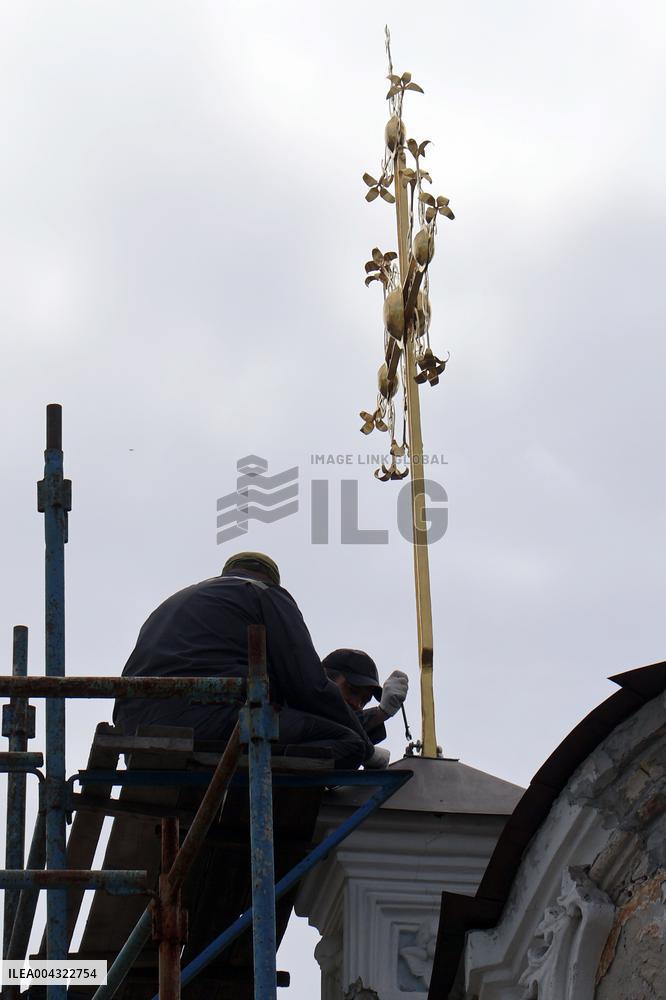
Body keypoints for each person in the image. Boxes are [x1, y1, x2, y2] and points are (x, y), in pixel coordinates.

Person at [113, 552, 389, 769]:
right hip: (204, 718)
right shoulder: (263, 593)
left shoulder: (174, 604)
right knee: (348, 745)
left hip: (135, 729)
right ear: (272, 580)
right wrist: (367, 749)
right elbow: (308, 686)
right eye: (354, 692)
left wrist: (374, 718)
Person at [322, 649, 409, 748]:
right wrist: (380, 714)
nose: (357, 704)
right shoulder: (303, 706)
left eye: (364, 701)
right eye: (353, 690)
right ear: (325, 680)